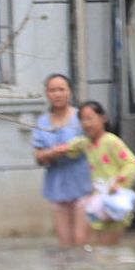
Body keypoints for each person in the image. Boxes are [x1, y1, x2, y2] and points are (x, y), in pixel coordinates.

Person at [59, 101, 135, 246]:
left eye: (90, 118)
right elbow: (71, 147)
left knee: (107, 248)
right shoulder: (86, 143)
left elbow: (133, 165)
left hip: (114, 203)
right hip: (98, 203)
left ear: (103, 118)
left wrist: (118, 182)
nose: (86, 124)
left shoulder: (111, 141)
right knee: (92, 247)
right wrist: (55, 150)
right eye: (83, 120)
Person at [31, 73, 93, 247]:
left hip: (83, 182)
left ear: (69, 92)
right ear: (47, 94)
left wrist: (75, 147)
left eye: (61, 89)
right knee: (64, 244)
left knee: (81, 241)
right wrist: (52, 152)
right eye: (52, 90)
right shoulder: (42, 122)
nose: (57, 94)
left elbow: (94, 142)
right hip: (57, 184)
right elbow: (38, 157)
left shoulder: (81, 118)